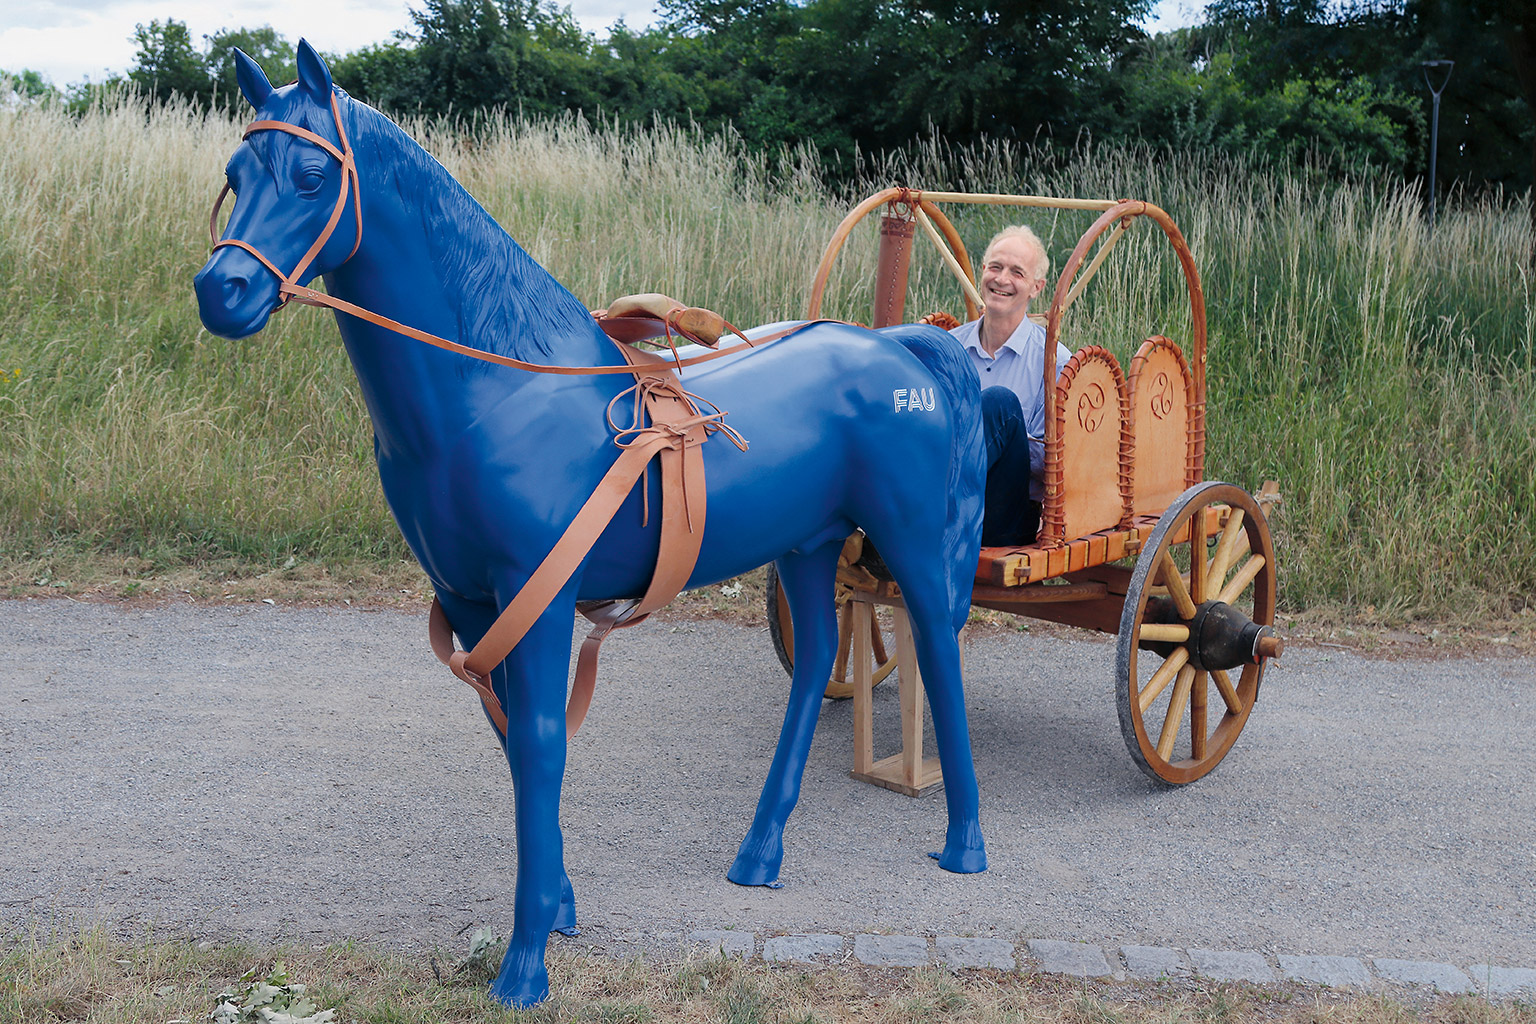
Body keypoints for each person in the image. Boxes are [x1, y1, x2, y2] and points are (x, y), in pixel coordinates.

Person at [949, 225, 1071, 547]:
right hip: (945, 496)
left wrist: (1000, 435)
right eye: (995, 267)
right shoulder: (950, 347)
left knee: (1000, 404)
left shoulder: (1054, 361)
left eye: (1017, 272)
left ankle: (916, 514)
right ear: (982, 271)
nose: (1002, 279)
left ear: (1036, 287)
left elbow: (1054, 465)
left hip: (1005, 515)